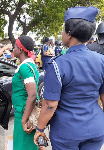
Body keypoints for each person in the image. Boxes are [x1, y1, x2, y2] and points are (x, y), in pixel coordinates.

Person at [34, 6, 104, 150]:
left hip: (66, 132)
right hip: (96, 128)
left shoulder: (58, 64)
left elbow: (49, 105)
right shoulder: (102, 61)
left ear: (69, 34)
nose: (62, 33)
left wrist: (40, 129)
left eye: (63, 30)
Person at [12, 35, 46, 150]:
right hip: (27, 111)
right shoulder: (31, 65)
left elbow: (32, 94)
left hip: (24, 112)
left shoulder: (24, 68)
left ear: (20, 49)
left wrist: (23, 119)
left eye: (14, 47)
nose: (13, 50)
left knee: (23, 146)